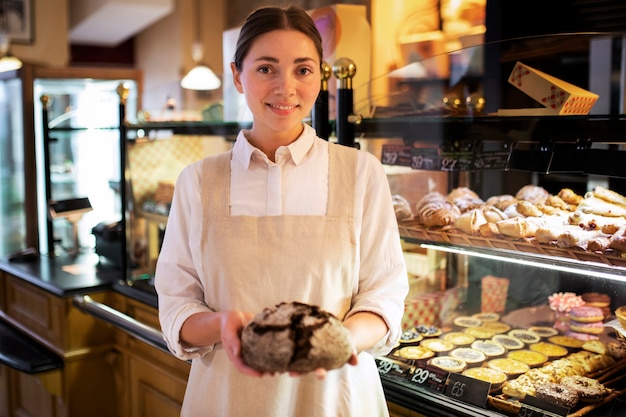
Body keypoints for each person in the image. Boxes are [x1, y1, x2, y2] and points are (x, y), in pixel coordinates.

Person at [155, 5, 408, 417]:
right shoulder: (198, 181)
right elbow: (177, 304)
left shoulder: (361, 173)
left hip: (336, 398)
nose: (285, 87)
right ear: (238, 75)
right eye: (266, 69)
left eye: (303, 70)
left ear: (321, 76)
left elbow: (384, 294)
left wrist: (340, 340)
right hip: (228, 398)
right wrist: (221, 324)